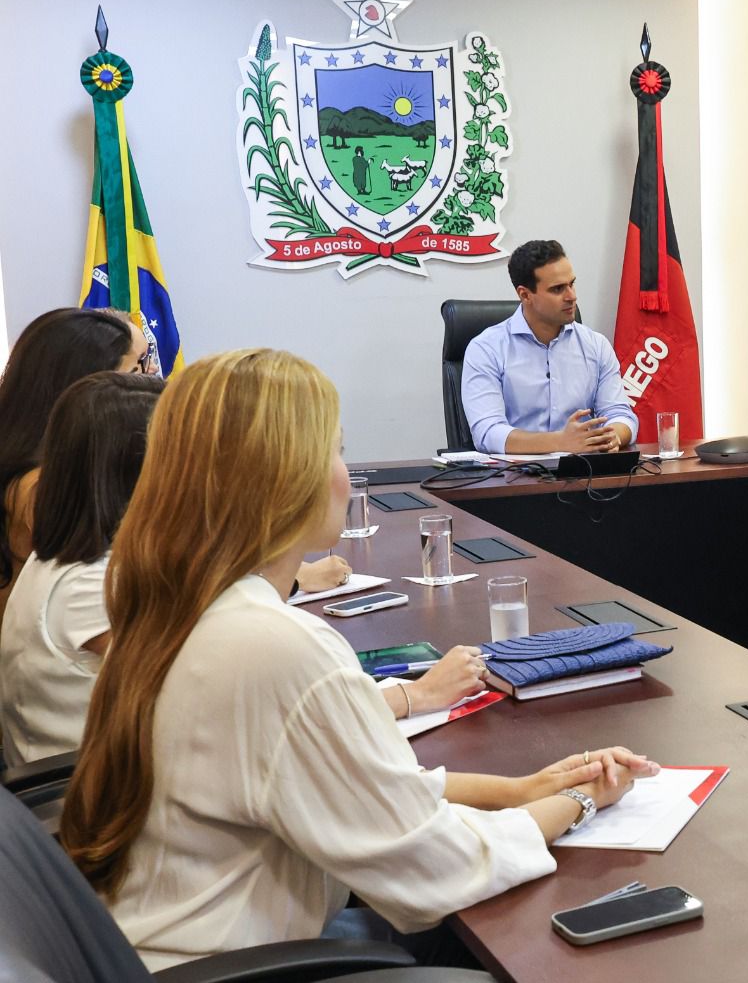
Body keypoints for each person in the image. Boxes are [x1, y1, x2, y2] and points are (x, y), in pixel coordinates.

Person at [58, 349, 658, 970]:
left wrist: (518, 790)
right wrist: (582, 804)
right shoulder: (272, 646)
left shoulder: (174, 603)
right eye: (336, 452)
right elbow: (436, 869)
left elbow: (348, 787)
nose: (346, 476)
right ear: (282, 479)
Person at [0, 373, 470, 766]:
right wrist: (417, 695)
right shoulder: (90, 583)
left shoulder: (84, 560)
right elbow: (243, 706)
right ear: (141, 468)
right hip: (96, 809)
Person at [0, 308, 147, 624]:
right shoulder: (41, 486)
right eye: (136, 369)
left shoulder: (34, 461)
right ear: (85, 383)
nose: (147, 384)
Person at [461, 239, 639, 455]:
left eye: (572, 284)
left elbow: (621, 414)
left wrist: (612, 436)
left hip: (585, 476)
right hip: (515, 480)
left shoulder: (596, 345)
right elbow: (488, 433)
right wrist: (560, 442)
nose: (572, 296)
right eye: (558, 289)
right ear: (525, 295)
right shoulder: (486, 349)